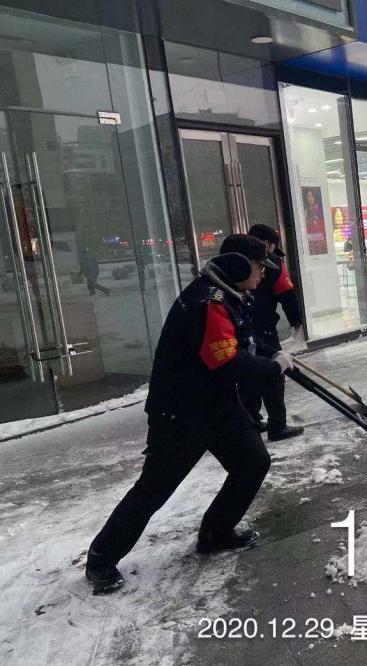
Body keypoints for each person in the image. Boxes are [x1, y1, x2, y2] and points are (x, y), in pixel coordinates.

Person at [84, 241, 294, 594]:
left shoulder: (230, 296)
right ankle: (101, 558)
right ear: (240, 265)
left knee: (253, 462)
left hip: (218, 406)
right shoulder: (207, 302)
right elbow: (226, 361)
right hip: (182, 414)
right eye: (260, 267)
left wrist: (273, 353)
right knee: (155, 488)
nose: (263, 274)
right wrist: (272, 368)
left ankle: (216, 533)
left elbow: (243, 341)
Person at [234, 224, 304, 442]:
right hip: (263, 328)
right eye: (273, 246)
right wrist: (296, 322)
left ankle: (252, 420)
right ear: (266, 243)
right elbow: (287, 294)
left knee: (248, 372)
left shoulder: (233, 261)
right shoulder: (272, 263)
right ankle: (278, 426)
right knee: (274, 373)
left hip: (241, 326)